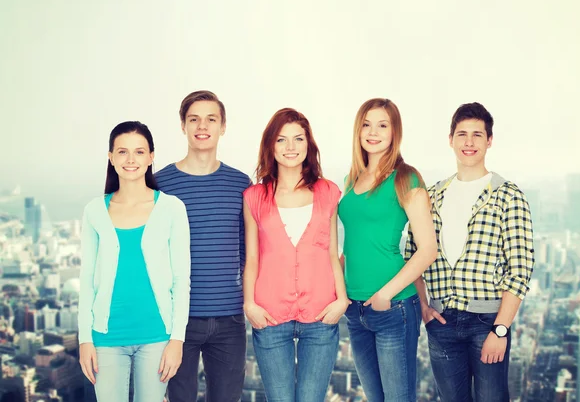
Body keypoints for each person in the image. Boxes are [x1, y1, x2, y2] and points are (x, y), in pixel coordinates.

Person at [406, 102, 535, 402]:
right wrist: (424, 306)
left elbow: (520, 268)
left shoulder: (508, 196)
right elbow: (413, 255)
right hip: (441, 322)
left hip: (487, 323)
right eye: (462, 134)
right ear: (450, 139)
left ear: (489, 141)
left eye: (477, 134)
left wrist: (500, 330)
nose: (469, 142)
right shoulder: (433, 195)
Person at [78, 121, 191, 402]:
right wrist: (84, 339)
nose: (131, 160)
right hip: (105, 337)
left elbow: (181, 280)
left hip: (157, 336)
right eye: (123, 152)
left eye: (139, 152)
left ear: (152, 157)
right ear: (111, 157)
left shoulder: (172, 208)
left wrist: (177, 340)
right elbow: (86, 280)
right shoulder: (94, 211)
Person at [243, 108, 350, 401]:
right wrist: (249, 303)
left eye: (298, 139)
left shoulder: (328, 192)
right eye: (281, 140)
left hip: (320, 314)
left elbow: (332, 252)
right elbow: (252, 257)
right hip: (269, 315)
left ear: (308, 145)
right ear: (270, 147)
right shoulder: (254, 196)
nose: (290, 147)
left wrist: (342, 299)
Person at [338, 98, 437, 402]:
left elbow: (428, 249)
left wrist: (385, 295)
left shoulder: (406, 178)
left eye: (383, 125)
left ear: (395, 132)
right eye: (366, 124)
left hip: (393, 308)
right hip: (355, 310)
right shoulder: (351, 179)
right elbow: (351, 245)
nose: (373, 132)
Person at [155, 91, 251, 402]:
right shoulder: (160, 185)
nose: (202, 125)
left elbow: (249, 253)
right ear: (182, 126)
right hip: (176, 322)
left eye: (211, 119)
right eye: (194, 119)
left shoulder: (240, 184)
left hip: (230, 319)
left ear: (223, 126)